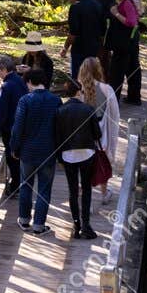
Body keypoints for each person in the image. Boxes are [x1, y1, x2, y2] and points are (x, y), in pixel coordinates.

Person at [9, 67, 60, 235]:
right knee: (44, 189)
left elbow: (18, 127)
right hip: (49, 151)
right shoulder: (56, 100)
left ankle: (24, 220)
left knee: (26, 186)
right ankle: (39, 225)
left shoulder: (25, 100)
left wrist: (14, 148)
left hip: (28, 152)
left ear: (30, 82)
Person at [55, 83, 102, 240]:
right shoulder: (88, 109)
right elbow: (97, 134)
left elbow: (57, 136)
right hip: (87, 153)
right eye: (81, 91)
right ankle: (86, 225)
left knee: (72, 191)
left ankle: (76, 225)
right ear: (77, 92)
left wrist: (58, 156)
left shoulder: (60, 111)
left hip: (68, 154)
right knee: (86, 189)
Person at [78, 57, 121, 203]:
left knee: (85, 166)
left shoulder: (79, 91)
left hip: (83, 136)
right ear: (99, 70)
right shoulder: (107, 89)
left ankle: (84, 195)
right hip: (101, 135)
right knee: (102, 163)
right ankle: (103, 194)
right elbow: (115, 115)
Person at [0, 54, 26, 198]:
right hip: (22, 126)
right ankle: (19, 184)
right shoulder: (20, 80)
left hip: (10, 128)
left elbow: (1, 113)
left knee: (12, 158)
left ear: (3, 69)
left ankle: (16, 187)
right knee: (18, 157)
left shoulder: (6, 86)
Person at [105, 0, 142, 102]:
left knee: (117, 70)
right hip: (132, 39)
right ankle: (134, 97)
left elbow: (131, 22)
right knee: (133, 68)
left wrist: (115, 13)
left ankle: (113, 100)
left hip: (124, 41)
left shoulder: (127, 2)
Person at [63, 0, 107, 79]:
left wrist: (65, 48)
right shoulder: (98, 5)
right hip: (94, 48)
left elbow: (73, 32)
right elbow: (103, 30)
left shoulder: (75, 7)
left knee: (78, 78)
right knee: (90, 77)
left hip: (79, 48)